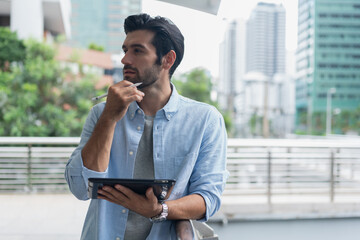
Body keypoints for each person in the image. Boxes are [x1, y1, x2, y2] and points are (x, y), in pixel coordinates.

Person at [65, 13, 228, 240]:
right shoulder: (101, 114)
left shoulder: (205, 120)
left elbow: (208, 199)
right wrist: (110, 118)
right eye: (125, 50)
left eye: (137, 51)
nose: (125, 60)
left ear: (167, 60)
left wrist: (158, 210)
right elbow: (81, 189)